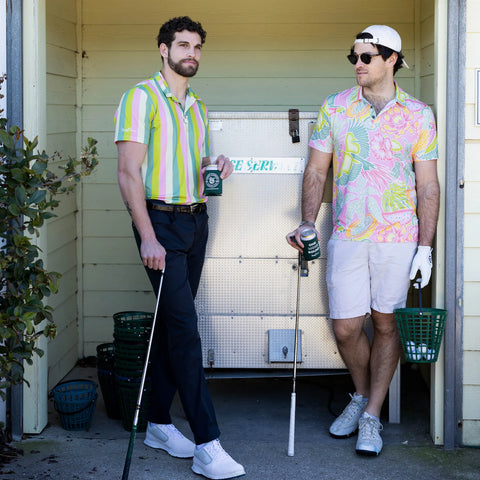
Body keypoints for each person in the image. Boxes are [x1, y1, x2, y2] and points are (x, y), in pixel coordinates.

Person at [286, 25, 440, 456]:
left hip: (398, 238)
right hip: (348, 234)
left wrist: (424, 246)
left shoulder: (419, 114)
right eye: (353, 57)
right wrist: (306, 222)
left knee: (386, 322)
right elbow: (317, 171)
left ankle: (371, 414)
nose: (358, 64)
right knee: (347, 326)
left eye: (366, 57)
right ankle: (360, 395)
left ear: (392, 60)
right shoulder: (334, 108)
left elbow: (428, 186)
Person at [114, 16, 245, 480]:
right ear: (163, 50)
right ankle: (208, 444)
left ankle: (158, 423)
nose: (191, 53)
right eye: (183, 45)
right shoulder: (141, 98)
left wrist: (216, 164)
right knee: (187, 331)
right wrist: (147, 235)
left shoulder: (198, 106)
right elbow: (129, 172)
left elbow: (191, 163)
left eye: (197, 46)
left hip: (196, 221)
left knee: (175, 324)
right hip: (161, 224)